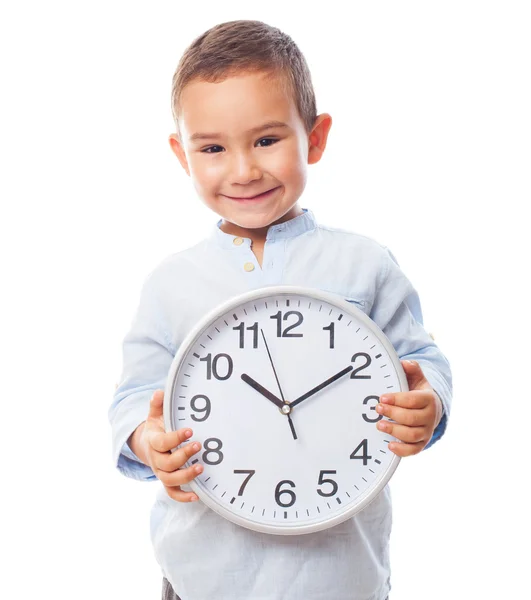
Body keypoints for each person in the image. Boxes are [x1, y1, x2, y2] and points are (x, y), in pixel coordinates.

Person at [109, 19, 452, 600]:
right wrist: (147, 440)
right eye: (213, 148)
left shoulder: (362, 264)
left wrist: (430, 402)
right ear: (182, 155)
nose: (243, 170)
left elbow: (420, 358)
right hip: (205, 580)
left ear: (314, 139)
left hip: (342, 578)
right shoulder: (171, 284)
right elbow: (130, 400)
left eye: (267, 140)